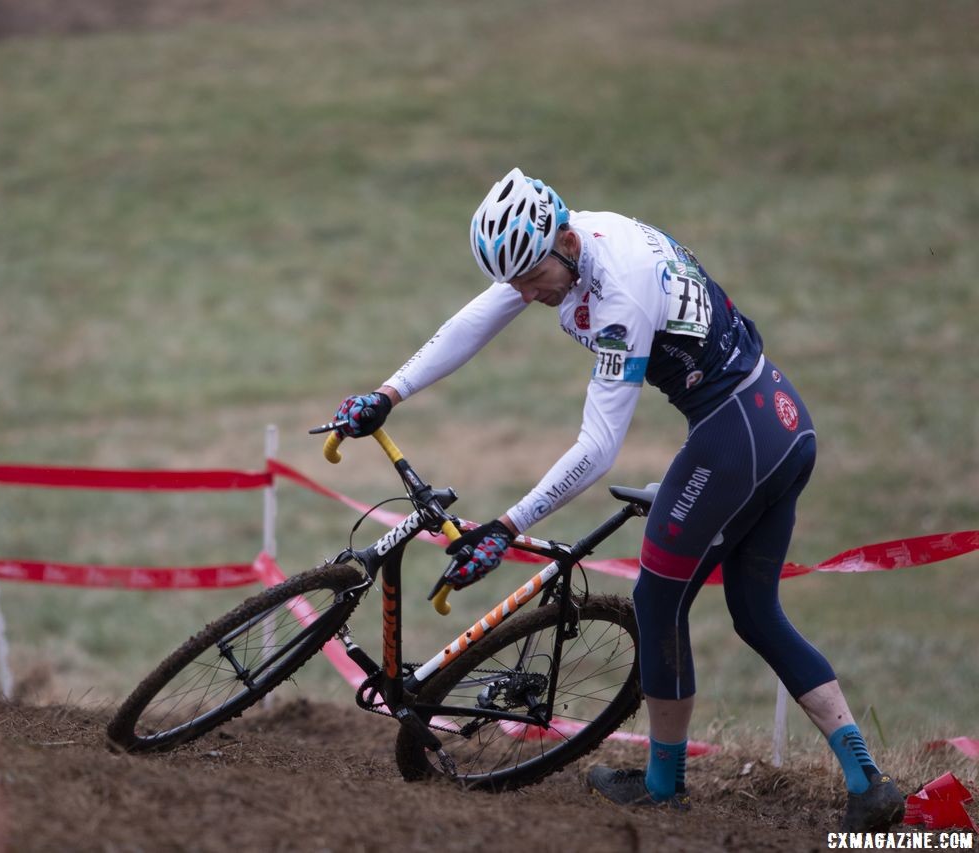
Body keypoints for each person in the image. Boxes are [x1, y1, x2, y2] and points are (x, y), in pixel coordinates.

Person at [329, 167, 904, 831]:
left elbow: (598, 446)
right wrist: (390, 391)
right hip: (777, 422)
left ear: (564, 240)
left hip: (737, 437)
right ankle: (867, 781)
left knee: (657, 599)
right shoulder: (574, 242)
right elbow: (481, 314)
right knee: (755, 611)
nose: (524, 293)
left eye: (530, 277)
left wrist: (505, 526)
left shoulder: (619, 293)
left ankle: (663, 786)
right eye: (512, 279)